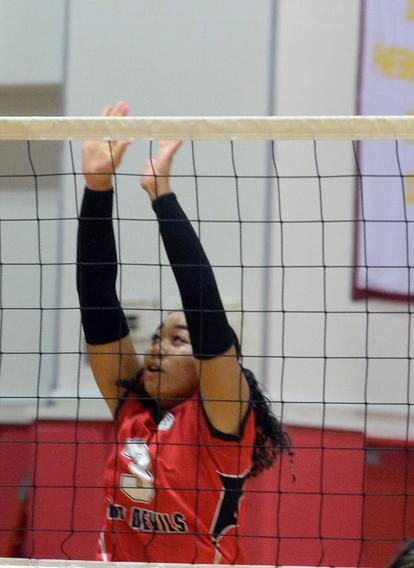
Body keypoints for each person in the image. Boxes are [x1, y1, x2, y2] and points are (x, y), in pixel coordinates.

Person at [76, 102, 292, 564]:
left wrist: (161, 196)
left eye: (178, 341)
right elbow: (96, 299)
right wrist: (97, 188)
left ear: (206, 366)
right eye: (157, 336)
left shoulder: (221, 421)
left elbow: (206, 313)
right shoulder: (132, 409)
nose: (155, 349)